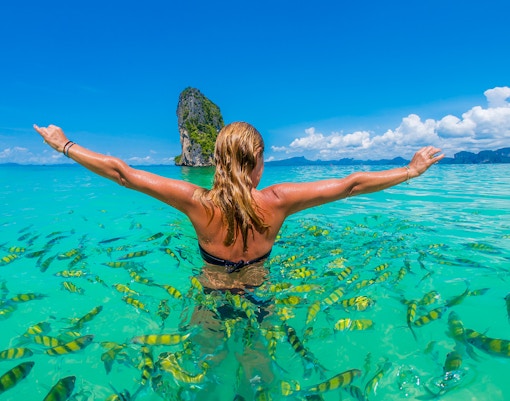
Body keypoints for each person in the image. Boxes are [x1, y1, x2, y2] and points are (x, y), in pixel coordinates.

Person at [34, 121, 443, 277]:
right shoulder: (279, 200)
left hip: (213, 289)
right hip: (261, 286)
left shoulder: (198, 201)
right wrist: (411, 170)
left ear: (217, 160)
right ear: (259, 161)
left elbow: (122, 173)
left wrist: (64, 145)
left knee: (205, 368)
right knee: (261, 369)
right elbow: (353, 183)